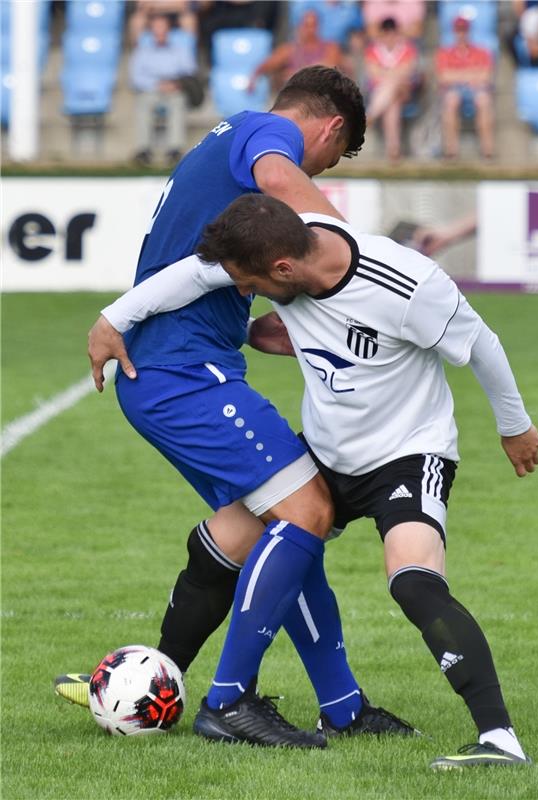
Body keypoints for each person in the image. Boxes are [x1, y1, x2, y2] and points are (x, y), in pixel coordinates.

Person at [93, 193, 538, 769]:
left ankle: (499, 738)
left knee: (412, 580)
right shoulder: (283, 238)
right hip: (326, 454)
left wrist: (515, 428)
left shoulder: (407, 284)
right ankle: (156, 681)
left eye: (249, 284)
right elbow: (192, 275)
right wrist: (114, 319)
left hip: (406, 456)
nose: (241, 291)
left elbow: (481, 343)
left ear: (283, 271)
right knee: (222, 541)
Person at [55, 66, 415, 748]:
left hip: (181, 365)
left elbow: (208, 269)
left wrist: (265, 330)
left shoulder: (226, 140)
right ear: (329, 128)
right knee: (306, 510)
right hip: (180, 374)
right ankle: (229, 703)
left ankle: (336, 705)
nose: (316, 171)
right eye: (329, 162)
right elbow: (281, 184)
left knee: (277, 529)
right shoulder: (266, 133)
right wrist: (360, 266)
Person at [129, 13, 198, 167]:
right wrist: (157, 85)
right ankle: (143, 150)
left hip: (174, 89)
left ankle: (174, 149)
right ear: (151, 31)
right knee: (143, 101)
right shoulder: (142, 51)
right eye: (156, 28)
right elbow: (136, 78)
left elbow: (189, 71)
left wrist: (175, 84)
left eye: (162, 28)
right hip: (151, 90)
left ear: (168, 30)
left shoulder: (180, 50)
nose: (159, 32)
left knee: (178, 101)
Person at [435, 16, 495, 160]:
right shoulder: (445, 52)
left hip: (476, 91)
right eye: (458, 30)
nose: (461, 34)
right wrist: (471, 74)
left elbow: (486, 75)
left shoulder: (482, 52)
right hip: (454, 91)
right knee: (451, 100)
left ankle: (488, 150)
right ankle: (451, 150)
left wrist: (457, 75)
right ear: (454, 32)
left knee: (484, 100)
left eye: (464, 30)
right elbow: (443, 77)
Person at [248, 10, 346, 93]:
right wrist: (253, 78)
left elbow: (329, 66)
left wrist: (296, 73)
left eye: (313, 25)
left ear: (319, 26)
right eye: (306, 25)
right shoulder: (289, 49)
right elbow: (266, 65)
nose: (310, 29)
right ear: (300, 26)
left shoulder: (330, 47)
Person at [364, 17, 420, 161]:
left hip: (404, 90)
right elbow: (373, 72)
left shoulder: (407, 48)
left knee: (393, 84)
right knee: (392, 105)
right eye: (386, 34)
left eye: (392, 33)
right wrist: (394, 73)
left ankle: (370, 115)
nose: (390, 37)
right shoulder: (373, 50)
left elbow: (407, 71)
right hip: (386, 93)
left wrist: (386, 73)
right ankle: (393, 151)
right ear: (382, 34)